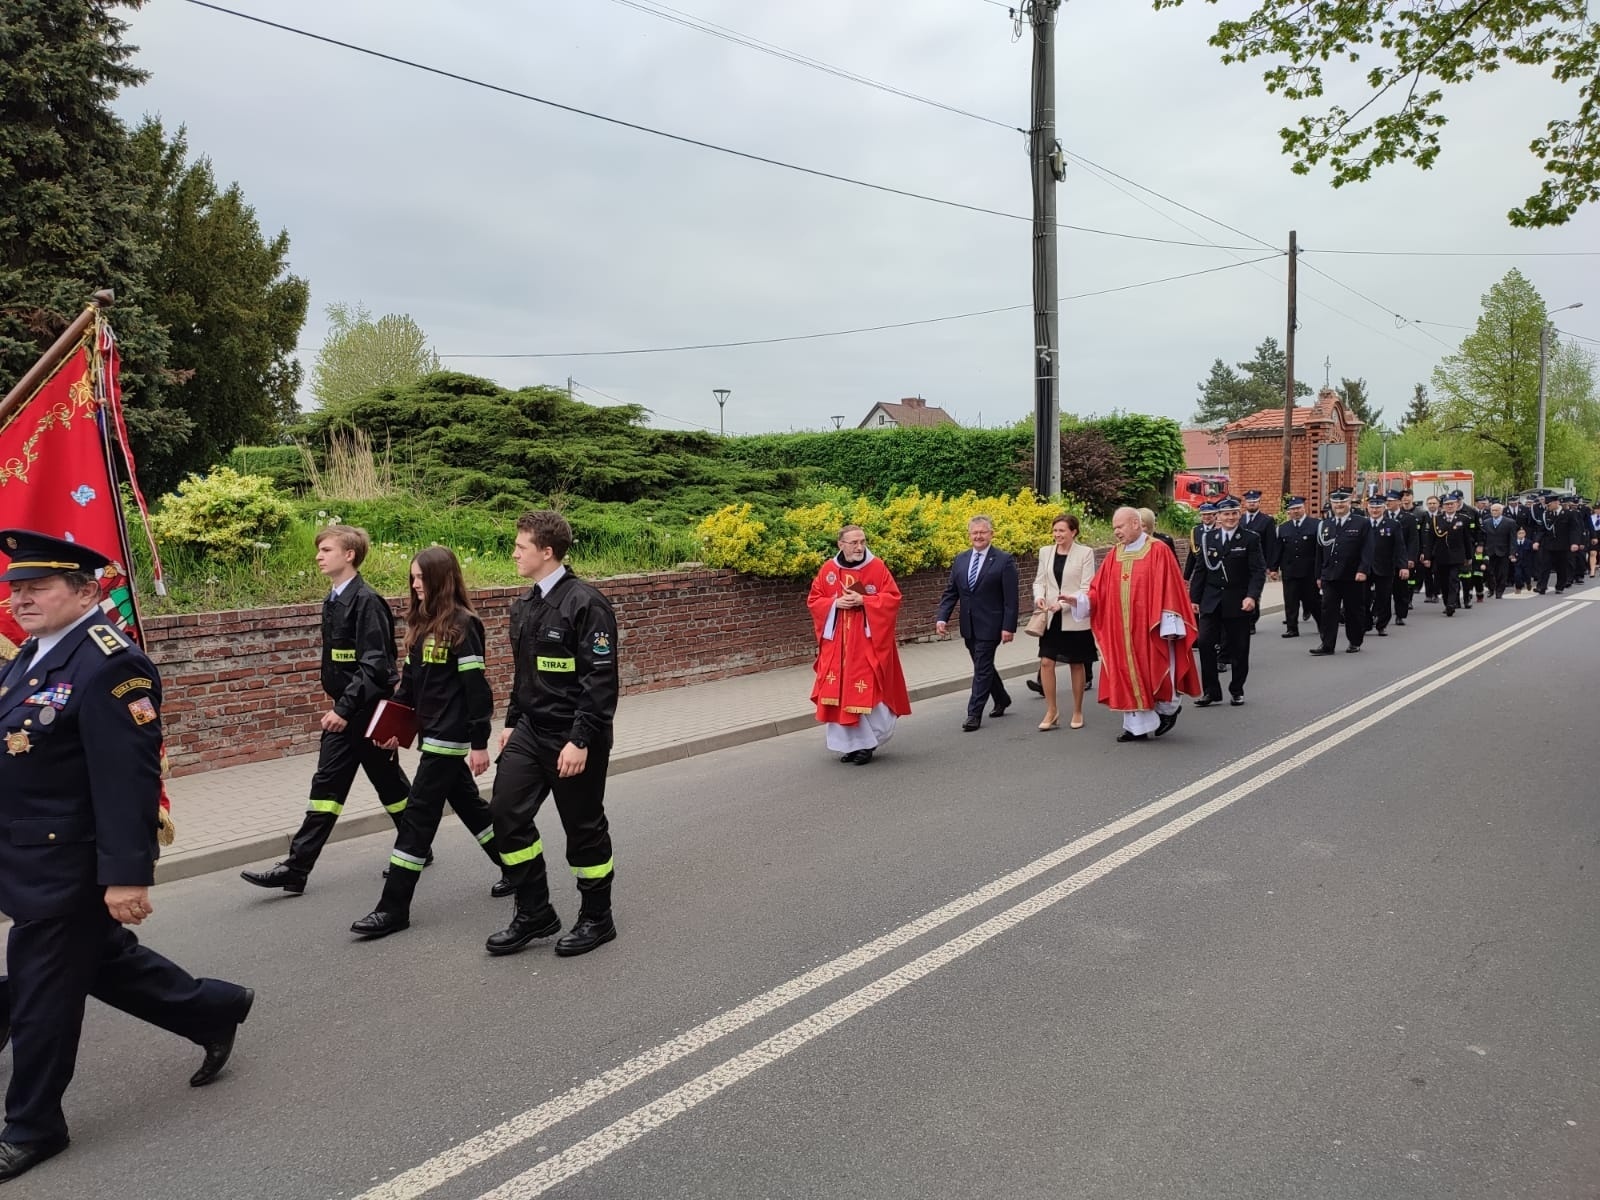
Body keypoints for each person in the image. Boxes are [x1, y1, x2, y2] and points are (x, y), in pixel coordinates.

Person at [0, 530, 253, 1184]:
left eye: (38, 587)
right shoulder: (33, 655)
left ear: (86, 590)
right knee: (99, 962)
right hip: (25, 853)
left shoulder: (111, 663)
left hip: (70, 864)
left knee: (41, 992)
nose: (21, 598)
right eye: (15, 588)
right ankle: (213, 1007)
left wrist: (126, 876)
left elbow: (127, 780)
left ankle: (32, 1127)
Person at [242, 525, 412, 894]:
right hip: (345, 712)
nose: (318, 556)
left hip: (364, 714)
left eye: (326, 549)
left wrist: (345, 709)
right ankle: (297, 868)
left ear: (349, 555)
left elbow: (376, 666)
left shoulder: (367, 601)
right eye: (318, 550)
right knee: (327, 788)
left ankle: (416, 845)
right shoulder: (333, 599)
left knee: (391, 788)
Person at [350, 548, 505, 938]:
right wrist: (394, 725)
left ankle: (393, 908)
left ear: (440, 578)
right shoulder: (422, 626)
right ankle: (517, 869)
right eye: (412, 578)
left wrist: (479, 742)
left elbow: (476, 690)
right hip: (430, 737)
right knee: (472, 808)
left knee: (417, 821)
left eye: (420, 578)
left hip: (448, 741)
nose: (414, 585)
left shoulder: (464, 624)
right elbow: (409, 687)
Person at [486, 511, 621, 958]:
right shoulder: (524, 606)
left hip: (575, 735)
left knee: (582, 828)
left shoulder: (586, 603)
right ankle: (535, 912)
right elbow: (523, 676)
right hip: (530, 731)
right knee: (505, 815)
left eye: (520, 546)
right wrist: (509, 723)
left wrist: (581, 740)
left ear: (547, 552)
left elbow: (600, 683)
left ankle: (597, 918)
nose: (514, 553)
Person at [1071, 507, 1201, 742]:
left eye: (1119, 527)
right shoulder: (1114, 554)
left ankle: (1168, 711)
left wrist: (1170, 624)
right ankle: (1136, 727)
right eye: (1114, 528)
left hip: (1150, 627)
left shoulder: (1158, 550)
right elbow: (1098, 589)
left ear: (1135, 523)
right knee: (1127, 673)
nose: (1116, 532)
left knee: (1156, 670)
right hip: (1121, 630)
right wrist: (1080, 600)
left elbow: (1171, 588)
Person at [806, 525, 911, 765]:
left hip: (866, 645)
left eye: (862, 541)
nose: (859, 547)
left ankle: (868, 743)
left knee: (867, 692)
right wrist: (834, 603)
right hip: (837, 649)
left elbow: (893, 598)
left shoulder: (876, 567)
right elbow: (814, 600)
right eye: (853, 543)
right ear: (840, 545)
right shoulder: (829, 570)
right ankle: (851, 745)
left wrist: (864, 600)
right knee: (839, 695)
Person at [935, 515, 1019, 733]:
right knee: (984, 666)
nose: (979, 536)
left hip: (992, 624)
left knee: (981, 668)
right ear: (969, 535)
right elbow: (951, 592)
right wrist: (942, 617)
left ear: (991, 534)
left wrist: (1008, 626)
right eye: (975, 532)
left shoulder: (1003, 560)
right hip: (969, 625)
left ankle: (974, 714)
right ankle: (1002, 698)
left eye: (983, 532)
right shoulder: (961, 560)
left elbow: (1011, 598)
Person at [1188, 497, 1265, 707]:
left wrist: (1252, 596)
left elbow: (1257, 571)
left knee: (1239, 648)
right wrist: (1194, 598)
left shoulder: (1250, 538)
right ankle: (1211, 691)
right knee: (1204, 643)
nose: (1230, 517)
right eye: (1225, 514)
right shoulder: (1208, 538)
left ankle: (1237, 689)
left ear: (1239, 515)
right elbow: (1201, 569)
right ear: (1218, 517)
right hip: (1211, 601)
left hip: (1238, 601)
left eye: (1233, 513)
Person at [1032, 514, 1098, 731]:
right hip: (1050, 616)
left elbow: (1087, 587)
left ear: (1073, 532)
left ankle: (1077, 710)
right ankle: (1052, 711)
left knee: (1076, 663)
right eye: (1055, 531)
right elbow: (1040, 580)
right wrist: (1039, 597)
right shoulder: (1045, 552)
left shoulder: (1085, 553)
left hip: (1073, 616)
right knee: (1046, 662)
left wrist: (1065, 604)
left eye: (1062, 531)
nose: (1057, 535)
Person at [1310, 489, 1375, 656]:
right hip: (1330, 575)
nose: (1339, 505)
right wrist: (1318, 575)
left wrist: (1363, 570)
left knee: (1353, 610)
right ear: (1332, 504)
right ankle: (1327, 644)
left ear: (1349, 502)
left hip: (1352, 575)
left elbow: (1367, 549)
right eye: (1336, 502)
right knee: (1328, 610)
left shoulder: (1362, 523)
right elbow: (1319, 552)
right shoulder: (1324, 524)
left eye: (1343, 502)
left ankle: (1354, 641)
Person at [1275, 496, 1321, 638]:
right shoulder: (1282, 528)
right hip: (1290, 570)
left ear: (1304, 508)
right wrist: (1273, 568)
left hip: (1309, 571)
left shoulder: (1316, 524)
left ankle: (1323, 625)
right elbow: (1277, 550)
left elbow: (1321, 550)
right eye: (1292, 509)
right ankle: (1292, 628)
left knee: (1313, 600)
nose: (1295, 511)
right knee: (1290, 601)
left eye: (1298, 508)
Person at [1422, 494, 1472, 616]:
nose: (1450, 506)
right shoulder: (1436, 519)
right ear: (1443, 506)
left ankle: (1451, 604)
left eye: (1452, 504)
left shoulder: (1463, 519)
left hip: (1456, 556)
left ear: (1457, 504)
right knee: (1443, 582)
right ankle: (1447, 602)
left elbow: (1467, 539)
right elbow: (1430, 541)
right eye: (1447, 504)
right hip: (1441, 556)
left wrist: (1469, 556)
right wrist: (1427, 557)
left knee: (1453, 580)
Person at [1237, 489, 1279, 636]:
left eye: (1254, 501)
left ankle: (1251, 621)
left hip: (1258, 563)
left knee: (1255, 593)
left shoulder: (1266, 521)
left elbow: (1271, 544)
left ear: (1259, 503)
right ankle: (1244, 618)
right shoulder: (1239, 519)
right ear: (1245, 504)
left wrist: (1271, 566)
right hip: (1241, 562)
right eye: (1249, 501)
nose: (1252, 503)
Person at [1364, 495, 1401, 636]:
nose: (1375, 510)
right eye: (1372, 507)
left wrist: (1402, 566)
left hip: (1385, 566)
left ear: (1384, 508)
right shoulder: (1363, 524)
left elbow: (1399, 546)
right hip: (1365, 567)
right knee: (1363, 597)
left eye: (1378, 507)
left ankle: (1382, 624)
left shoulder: (1393, 524)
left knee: (1384, 597)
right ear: (1367, 508)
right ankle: (1366, 622)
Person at [1385, 490, 1419, 624]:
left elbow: (1413, 540)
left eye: (1391, 500)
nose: (1388, 503)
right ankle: (1381, 615)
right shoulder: (1382, 516)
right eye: (1387, 500)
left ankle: (1400, 615)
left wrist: (1410, 558)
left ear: (1399, 501)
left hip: (1401, 558)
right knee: (1383, 590)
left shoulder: (1408, 518)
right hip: (1385, 559)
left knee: (1400, 590)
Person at [1481, 502, 1517, 599]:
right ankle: (1491, 588)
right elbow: (1483, 538)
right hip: (1489, 551)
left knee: (1502, 573)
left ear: (1501, 511)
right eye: (1492, 510)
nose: (1494, 512)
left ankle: (1499, 591)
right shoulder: (1486, 522)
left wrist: (1512, 552)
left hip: (1503, 551)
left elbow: (1513, 539)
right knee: (1489, 572)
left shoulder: (1510, 522)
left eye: (1496, 510)